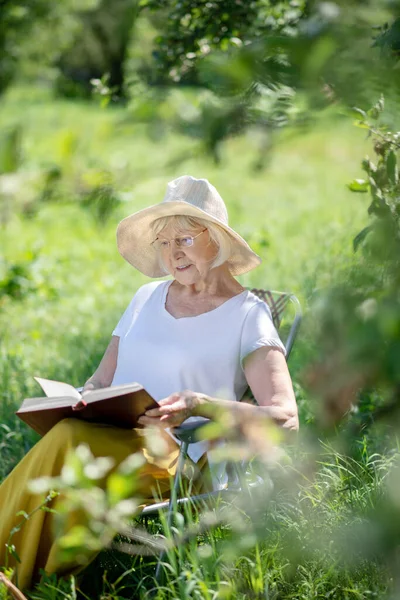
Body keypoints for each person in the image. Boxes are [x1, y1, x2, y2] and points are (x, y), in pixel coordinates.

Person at [0, 175, 298, 591]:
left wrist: (199, 404)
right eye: (163, 242)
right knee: (69, 434)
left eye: (185, 239)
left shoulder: (248, 315)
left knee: (70, 443)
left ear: (217, 239)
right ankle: (22, 576)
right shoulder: (145, 298)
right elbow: (101, 378)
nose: (173, 253)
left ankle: (16, 577)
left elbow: (284, 419)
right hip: (115, 437)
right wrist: (83, 398)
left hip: (181, 460)